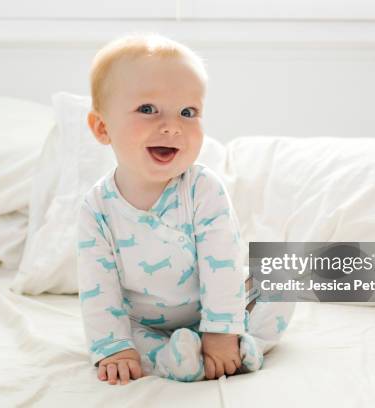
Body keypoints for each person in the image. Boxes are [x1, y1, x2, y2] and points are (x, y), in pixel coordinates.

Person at [78, 32, 295, 385]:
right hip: (145, 322)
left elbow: (222, 264)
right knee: (127, 340)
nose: (172, 126)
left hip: (220, 308)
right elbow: (97, 287)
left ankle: (246, 343)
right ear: (103, 127)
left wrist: (222, 330)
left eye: (188, 112)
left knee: (282, 277)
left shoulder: (203, 189)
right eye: (147, 110)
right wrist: (113, 347)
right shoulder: (96, 208)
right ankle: (172, 360)